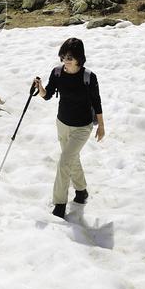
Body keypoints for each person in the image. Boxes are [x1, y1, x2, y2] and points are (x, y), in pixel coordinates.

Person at [33, 37, 105, 219]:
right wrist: (40, 88)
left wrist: (101, 125)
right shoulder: (57, 73)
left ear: (79, 57)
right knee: (71, 159)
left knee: (65, 161)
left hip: (82, 127)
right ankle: (81, 191)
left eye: (71, 56)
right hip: (62, 123)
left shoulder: (89, 77)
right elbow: (48, 95)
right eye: (64, 55)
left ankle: (59, 204)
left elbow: (96, 102)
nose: (66, 59)